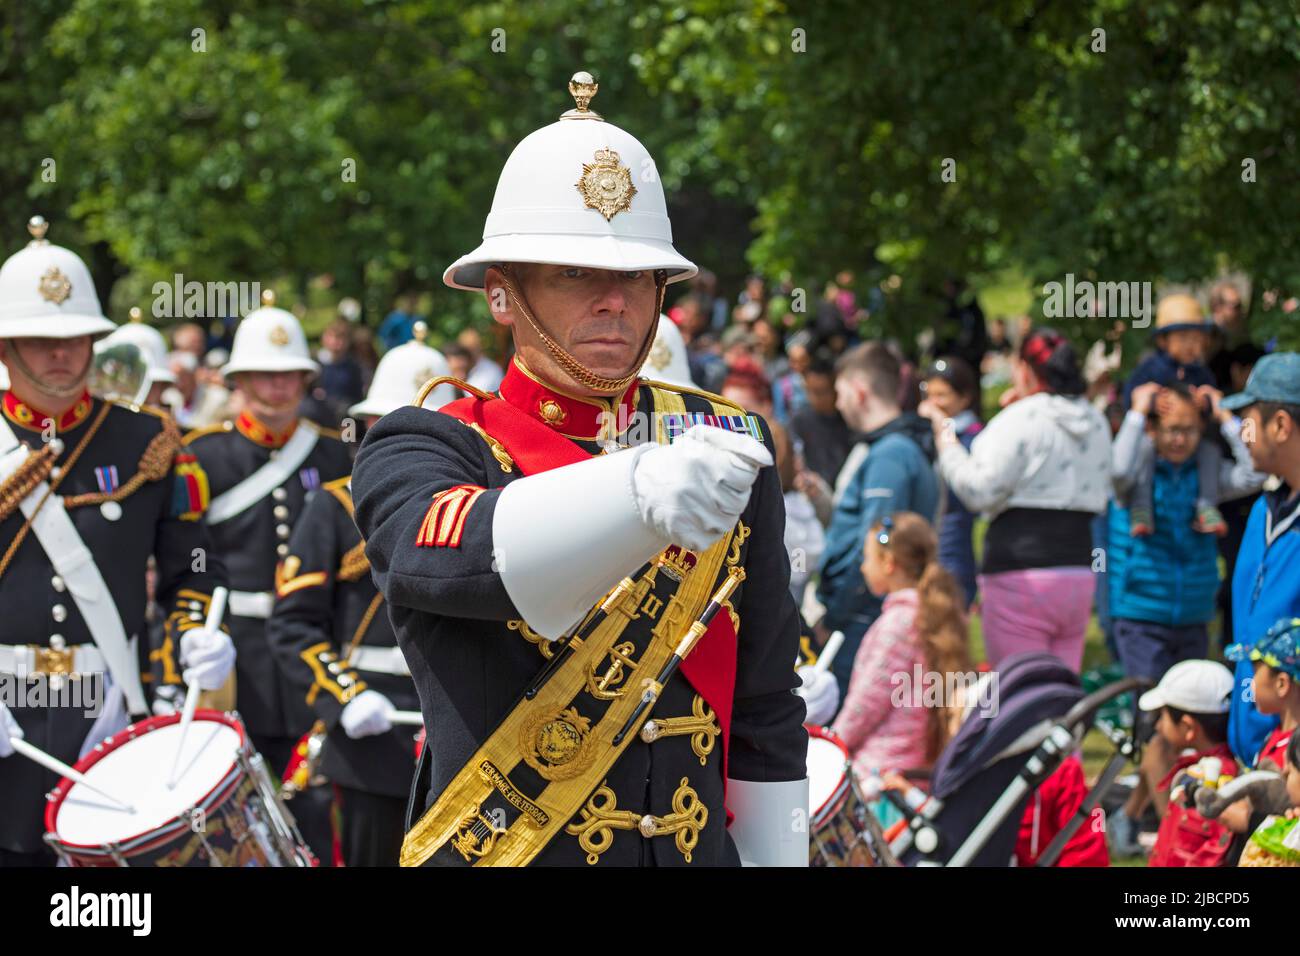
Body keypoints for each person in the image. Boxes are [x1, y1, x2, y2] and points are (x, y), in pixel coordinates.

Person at [350, 71, 808, 867]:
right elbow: (457, 558)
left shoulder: (726, 442)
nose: (614, 301)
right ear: (502, 296)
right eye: (573, 274)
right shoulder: (425, 444)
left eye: (636, 275)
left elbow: (766, 707)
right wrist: (635, 494)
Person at [0, 216, 233, 865]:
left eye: (76, 336)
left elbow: (193, 566)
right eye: (41, 338)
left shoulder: (148, 441)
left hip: (107, 707)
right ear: (4, 346)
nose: (62, 353)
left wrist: (194, 629)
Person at [266, 338, 454, 867]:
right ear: (372, 430)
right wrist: (345, 696)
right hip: (373, 739)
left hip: (463, 733)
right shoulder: (333, 507)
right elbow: (294, 626)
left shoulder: (483, 507)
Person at [183, 290, 352, 775]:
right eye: (265, 374)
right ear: (240, 380)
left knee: (315, 796)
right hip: (238, 649)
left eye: (290, 374)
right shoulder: (204, 454)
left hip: (315, 647)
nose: (279, 385)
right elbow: (189, 556)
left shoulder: (333, 455)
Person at [924, 328, 1109, 671]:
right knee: (1062, 690)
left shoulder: (1020, 420)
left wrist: (946, 437)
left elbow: (977, 490)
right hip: (1079, 574)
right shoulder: (1095, 419)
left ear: (1024, 369)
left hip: (1022, 576)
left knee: (1020, 692)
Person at [1109, 381, 1265, 680]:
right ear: (1153, 430)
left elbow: (1254, 473)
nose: (1180, 440)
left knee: (1188, 712)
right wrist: (1137, 413)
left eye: (1189, 430)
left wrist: (1226, 418)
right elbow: (1116, 470)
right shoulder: (1137, 468)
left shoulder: (1206, 470)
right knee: (1149, 711)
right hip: (1142, 611)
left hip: (1195, 611)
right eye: (1171, 429)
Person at [816, 343, 939, 697]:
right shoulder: (895, 448)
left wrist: (836, 615)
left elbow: (879, 543)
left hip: (862, 618)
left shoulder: (891, 455)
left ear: (859, 391)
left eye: (840, 393)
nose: (837, 404)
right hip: (868, 613)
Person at [831, 513, 971, 788]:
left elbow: (866, 705)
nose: (862, 568)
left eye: (867, 558)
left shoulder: (897, 625)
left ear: (889, 563)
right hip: (918, 767)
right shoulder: (936, 615)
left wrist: (832, 745)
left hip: (879, 773)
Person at [1220, 353, 1300, 764]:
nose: (1242, 434)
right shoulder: (1261, 513)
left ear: (1281, 425)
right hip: (1251, 751)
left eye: (1248, 421)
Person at [1121, 295, 1228, 536]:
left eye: (1197, 339)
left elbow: (1212, 405)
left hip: (1190, 443)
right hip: (1156, 440)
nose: (1193, 346)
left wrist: (1205, 404)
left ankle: (1207, 506)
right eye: (1184, 338)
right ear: (1162, 340)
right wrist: (1151, 403)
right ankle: (1141, 508)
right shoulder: (1150, 368)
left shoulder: (1202, 373)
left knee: (1211, 453)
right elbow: (1131, 398)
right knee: (1143, 452)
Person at [1138, 660, 1239, 867]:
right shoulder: (1201, 771)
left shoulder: (1213, 781)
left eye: (1163, 716)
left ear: (1187, 727)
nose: (1158, 726)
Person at [918, 356, 982, 608]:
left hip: (954, 539)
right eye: (929, 395)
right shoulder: (923, 433)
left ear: (964, 398)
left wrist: (940, 428)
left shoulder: (975, 436)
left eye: (942, 395)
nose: (934, 403)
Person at [788, 357, 853, 490]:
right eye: (810, 391)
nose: (814, 398)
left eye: (821, 392)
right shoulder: (800, 420)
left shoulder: (849, 419)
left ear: (835, 389)